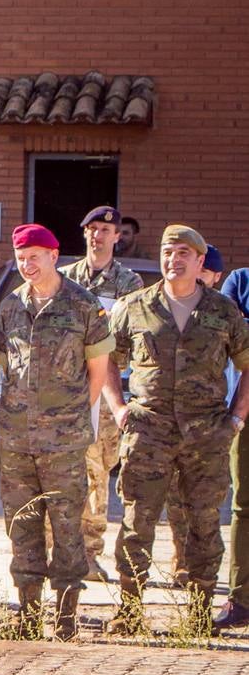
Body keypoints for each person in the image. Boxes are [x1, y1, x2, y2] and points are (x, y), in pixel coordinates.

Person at [102, 225, 249, 635]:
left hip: (206, 434)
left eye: (184, 253)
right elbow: (108, 358)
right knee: (137, 522)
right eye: (169, 252)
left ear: (200, 262)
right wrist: (118, 407)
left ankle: (199, 616)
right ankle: (130, 612)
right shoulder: (134, 306)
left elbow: (248, 363)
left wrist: (237, 418)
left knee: (204, 524)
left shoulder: (222, 311)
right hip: (148, 433)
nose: (174, 260)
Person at [0, 224, 113, 640]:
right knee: (22, 524)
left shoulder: (83, 305)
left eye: (35, 256)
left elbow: (98, 371)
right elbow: (6, 366)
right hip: (16, 440)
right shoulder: (10, 306)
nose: (27, 264)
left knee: (67, 527)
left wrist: (74, 415)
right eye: (21, 257)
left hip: (63, 440)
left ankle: (65, 618)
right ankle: (27, 614)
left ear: (54, 256)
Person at [60, 205, 143, 582]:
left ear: (116, 236)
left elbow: (127, 340)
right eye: (92, 229)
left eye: (105, 231)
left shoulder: (129, 284)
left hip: (104, 393)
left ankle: (90, 555)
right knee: (61, 471)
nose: (98, 236)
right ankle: (60, 551)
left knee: (97, 473)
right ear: (85, 234)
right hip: (65, 391)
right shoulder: (64, 278)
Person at [167, 244, 228, 585]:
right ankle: (180, 559)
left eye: (205, 274)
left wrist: (234, 418)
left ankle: (201, 574)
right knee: (175, 499)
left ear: (214, 274)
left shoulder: (222, 313)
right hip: (168, 425)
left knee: (204, 505)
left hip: (207, 426)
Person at [214, 266, 249, 631]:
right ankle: (241, 599)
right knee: (244, 506)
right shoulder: (240, 282)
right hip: (247, 409)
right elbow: (229, 339)